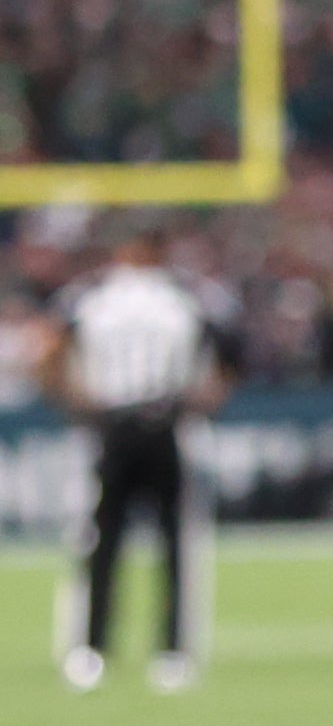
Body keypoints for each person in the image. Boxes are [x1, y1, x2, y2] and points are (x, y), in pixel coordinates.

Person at [57, 223, 223, 693]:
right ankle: (173, 650)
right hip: (165, 423)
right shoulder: (182, 300)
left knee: (102, 542)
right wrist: (198, 400)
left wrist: (79, 402)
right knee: (174, 543)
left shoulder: (93, 300)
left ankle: (90, 648)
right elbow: (220, 362)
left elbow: (52, 350)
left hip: (113, 425)